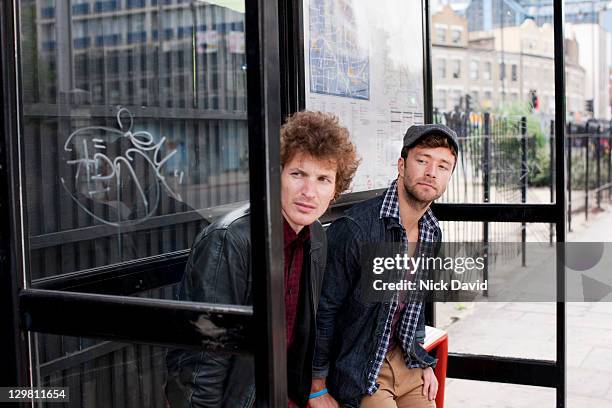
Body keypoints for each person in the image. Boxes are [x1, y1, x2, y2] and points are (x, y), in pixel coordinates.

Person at [165, 110, 360, 408]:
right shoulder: (230, 240)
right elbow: (203, 360)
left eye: (323, 179)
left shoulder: (316, 236)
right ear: (276, 175)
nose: (309, 192)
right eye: (298, 174)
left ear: (335, 190)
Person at [309, 124, 459, 408]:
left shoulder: (431, 231)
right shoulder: (357, 229)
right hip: (362, 367)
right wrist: (317, 385)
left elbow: (413, 308)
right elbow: (324, 310)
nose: (431, 172)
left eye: (443, 166)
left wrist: (422, 360)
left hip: (404, 362)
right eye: (422, 160)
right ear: (402, 165)